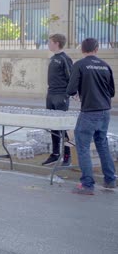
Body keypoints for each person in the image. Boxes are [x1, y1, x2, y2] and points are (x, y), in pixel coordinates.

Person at [67, 37, 116, 195]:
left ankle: (87, 184)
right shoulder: (105, 66)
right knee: (102, 144)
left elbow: (70, 89)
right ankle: (110, 179)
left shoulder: (80, 65)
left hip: (89, 111)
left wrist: (79, 93)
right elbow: (112, 92)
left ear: (82, 49)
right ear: (96, 49)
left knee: (82, 146)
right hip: (105, 111)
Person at [42, 34, 74, 166]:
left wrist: (71, 93)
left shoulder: (65, 59)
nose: (48, 44)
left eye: (50, 42)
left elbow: (71, 78)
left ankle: (67, 155)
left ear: (56, 43)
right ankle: (55, 154)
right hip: (51, 94)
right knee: (53, 125)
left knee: (62, 126)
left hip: (61, 95)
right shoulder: (52, 58)